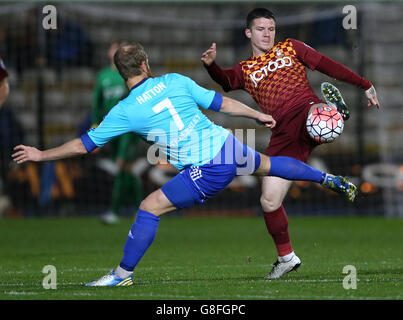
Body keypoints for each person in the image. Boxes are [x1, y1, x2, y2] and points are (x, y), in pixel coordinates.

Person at [12, 42, 357, 286]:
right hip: (227, 145)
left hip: (206, 169)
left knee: (149, 207)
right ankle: (327, 178)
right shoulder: (174, 80)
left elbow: (83, 145)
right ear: (145, 65)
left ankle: (121, 276)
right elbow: (221, 102)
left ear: (122, 74)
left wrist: (41, 154)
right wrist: (257, 114)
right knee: (270, 164)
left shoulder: (124, 110)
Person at [201, 8, 380, 279]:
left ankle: (334, 117)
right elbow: (225, 80)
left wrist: (364, 84)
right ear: (248, 32)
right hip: (283, 133)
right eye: (260, 29)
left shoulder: (290, 47)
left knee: (318, 121)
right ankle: (286, 258)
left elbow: (326, 64)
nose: (267, 34)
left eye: (271, 29)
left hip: (306, 110)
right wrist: (211, 65)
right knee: (269, 200)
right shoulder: (245, 70)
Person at [92, 40, 143, 224]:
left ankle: (114, 212)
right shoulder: (103, 76)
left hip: (128, 127)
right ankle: (142, 209)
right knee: (126, 169)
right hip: (109, 127)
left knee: (121, 165)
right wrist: (95, 125)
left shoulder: (128, 76)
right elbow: (96, 103)